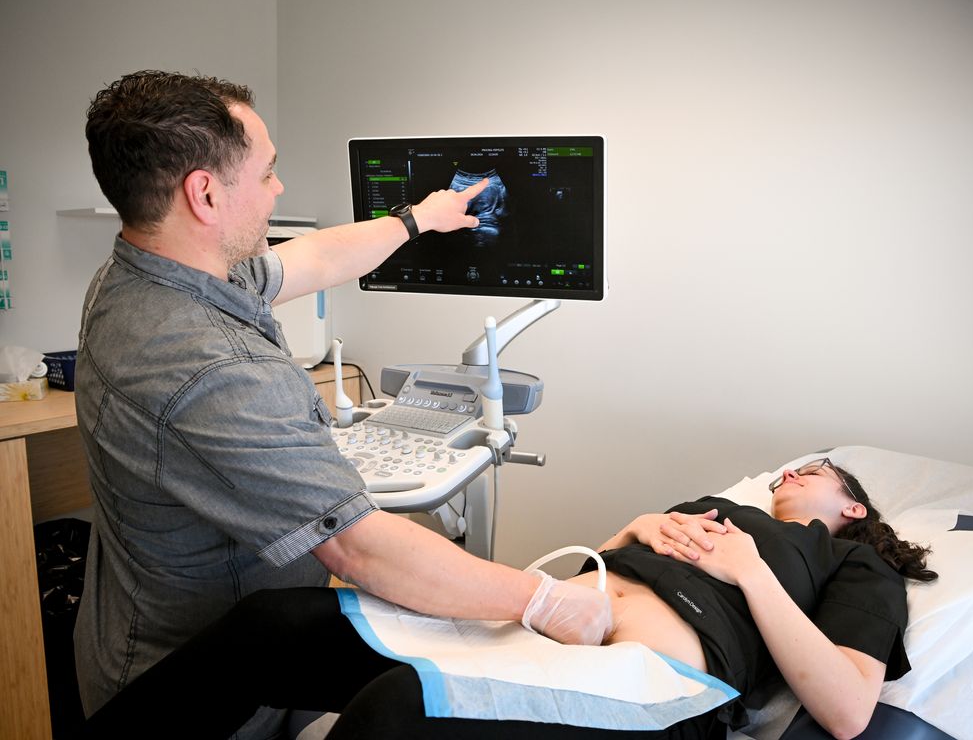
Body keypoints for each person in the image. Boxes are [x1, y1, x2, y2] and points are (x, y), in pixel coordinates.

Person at [73, 70, 611, 737]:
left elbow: (316, 258)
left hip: (178, 632)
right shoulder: (210, 366)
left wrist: (418, 219)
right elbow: (361, 551)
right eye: (268, 172)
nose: (280, 189)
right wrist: (544, 599)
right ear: (205, 194)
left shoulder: (143, 269)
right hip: (192, 685)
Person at [81, 458, 937, 740]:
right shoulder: (721, 507)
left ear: (853, 505)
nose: (794, 472)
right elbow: (601, 575)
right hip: (539, 625)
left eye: (816, 471)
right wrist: (638, 528)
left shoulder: (851, 564)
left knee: (392, 711)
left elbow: (850, 706)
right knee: (272, 625)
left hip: (655, 686)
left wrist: (751, 570)